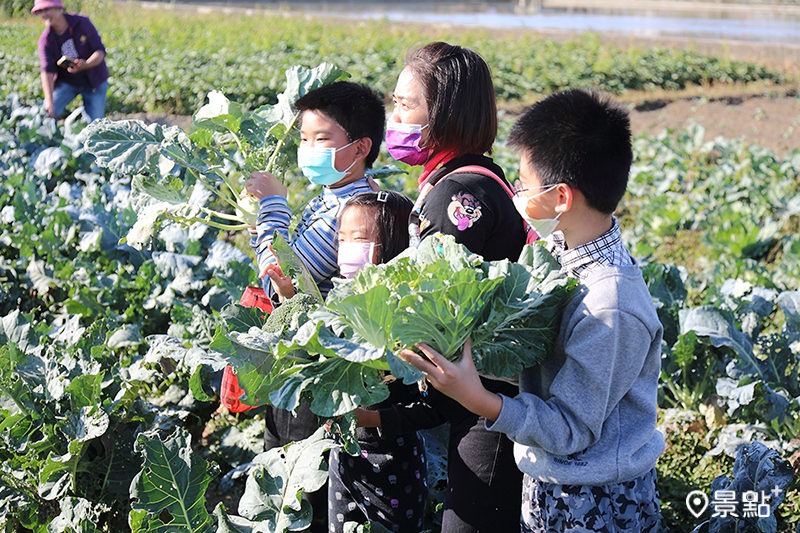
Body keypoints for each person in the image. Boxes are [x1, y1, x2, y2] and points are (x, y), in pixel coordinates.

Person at [398, 89, 665, 533]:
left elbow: (570, 430)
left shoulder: (611, 305)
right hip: (547, 483)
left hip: (598, 502)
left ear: (560, 197)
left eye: (524, 184)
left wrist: (476, 397)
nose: (517, 192)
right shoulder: (558, 255)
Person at [369, 41, 527, 533]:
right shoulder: (474, 180)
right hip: (488, 399)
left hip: (488, 408)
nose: (395, 115)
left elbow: (436, 324)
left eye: (406, 104)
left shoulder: (456, 197)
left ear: (444, 113)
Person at [242, 80, 385, 533]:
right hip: (300, 362)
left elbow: (285, 279)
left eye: (321, 140)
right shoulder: (332, 199)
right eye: (303, 139)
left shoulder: (351, 213)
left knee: (299, 487)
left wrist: (274, 207)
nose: (308, 149)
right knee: (282, 472)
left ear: (360, 147)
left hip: (313, 366)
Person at [266, 190, 428, 533]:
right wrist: (289, 300)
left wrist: (372, 417)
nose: (346, 247)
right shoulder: (339, 305)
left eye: (359, 238)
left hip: (394, 459)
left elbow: (430, 405)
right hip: (344, 454)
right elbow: (315, 350)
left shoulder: (411, 314)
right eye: (341, 239)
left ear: (393, 245)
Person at [32, 0, 109, 122]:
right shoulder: (46, 39)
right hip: (68, 82)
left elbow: (100, 51)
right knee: (46, 115)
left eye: (47, 9)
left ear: (59, 8)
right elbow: (47, 70)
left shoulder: (81, 23)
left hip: (94, 81)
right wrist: (49, 100)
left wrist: (86, 64)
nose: (44, 14)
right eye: (40, 11)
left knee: (96, 124)